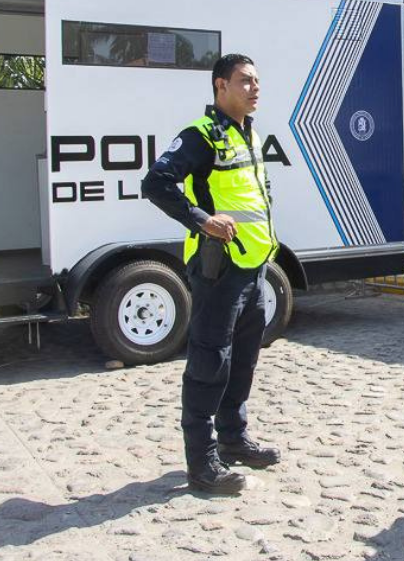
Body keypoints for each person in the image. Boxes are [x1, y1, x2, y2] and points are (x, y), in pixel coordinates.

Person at [142, 53, 281, 495]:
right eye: (245, 81)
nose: (254, 88)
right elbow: (156, 183)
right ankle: (201, 465)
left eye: (257, 81)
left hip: (254, 265)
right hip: (218, 270)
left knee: (243, 361)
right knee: (209, 363)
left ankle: (234, 438)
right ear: (221, 86)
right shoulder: (201, 136)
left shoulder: (250, 134)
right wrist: (201, 219)